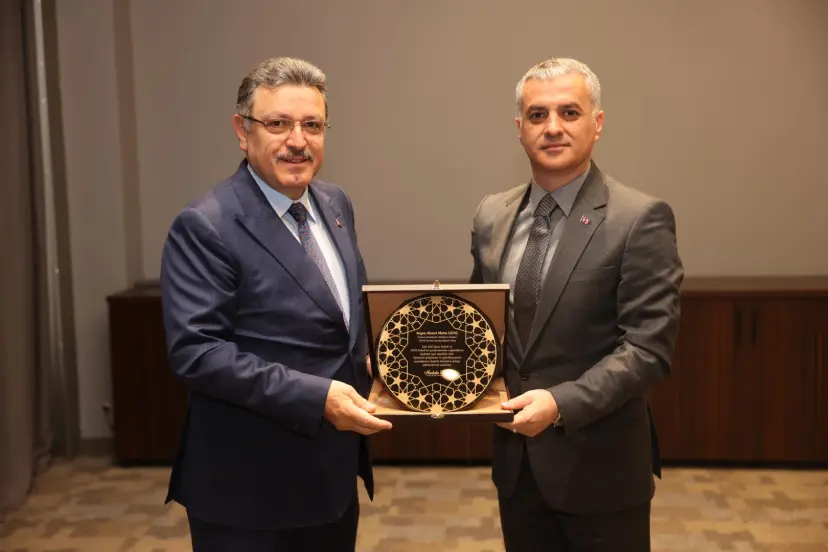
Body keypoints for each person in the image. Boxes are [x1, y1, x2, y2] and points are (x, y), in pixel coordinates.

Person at [159, 56, 392, 552]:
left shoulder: (335, 203)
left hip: (330, 480)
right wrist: (317, 397)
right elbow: (197, 353)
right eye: (278, 124)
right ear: (242, 132)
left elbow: (341, 317)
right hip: (248, 491)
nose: (297, 140)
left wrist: (378, 357)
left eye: (312, 125)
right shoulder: (206, 224)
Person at [469, 57, 683, 551]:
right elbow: (480, 327)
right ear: (520, 128)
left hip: (601, 473)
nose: (553, 127)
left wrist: (559, 404)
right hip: (518, 470)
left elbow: (648, 349)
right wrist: (409, 365)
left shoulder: (639, 218)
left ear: (597, 123)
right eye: (538, 115)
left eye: (569, 112)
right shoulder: (491, 215)